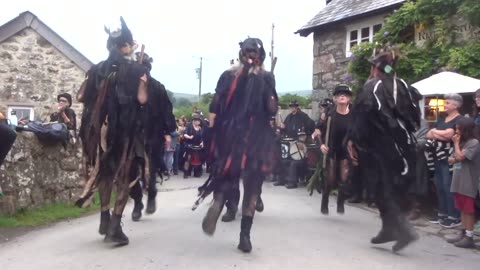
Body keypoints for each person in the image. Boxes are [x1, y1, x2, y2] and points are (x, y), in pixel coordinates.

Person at [193, 37, 278, 253]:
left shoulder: (232, 75)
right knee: (251, 185)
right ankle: (244, 235)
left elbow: (215, 107)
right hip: (252, 138)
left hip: (236, 136)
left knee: (227, 174)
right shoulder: (259, 77)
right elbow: (272, 109)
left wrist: (214, 136)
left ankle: (220, 204)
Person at [76, 17, 149, 245]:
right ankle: (115, 228)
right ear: (125, 46)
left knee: (105, 174)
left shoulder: (97, 69)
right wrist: (144, 80)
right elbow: (142, 99)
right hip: (125, 132)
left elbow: (80, 97)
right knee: (126, 176)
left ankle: (104, 218)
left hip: (99, 130)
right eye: (130, 44)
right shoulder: (137, 69)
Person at [347, 48, 422, 252]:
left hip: (379, 148)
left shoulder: (372, 87)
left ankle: (403, 229)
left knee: (381, 187)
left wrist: (353, 141)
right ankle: (388, 229)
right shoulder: (404, 86)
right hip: (404, 146)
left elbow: (360, 119)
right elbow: (415, 118)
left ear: (374, 68)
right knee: (390, 187)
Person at [128, 51, 176, 221]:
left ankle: (152, 195)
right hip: (132, 135)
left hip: (153, 134)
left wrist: (168, 131)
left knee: (152, 168)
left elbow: (166, 111)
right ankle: (137, 202)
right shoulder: (129, 87)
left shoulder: (157, 87)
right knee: (131, 171)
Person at [313, 84, 353, 215]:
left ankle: (340, 201)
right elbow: (317, 130)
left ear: (349, 99)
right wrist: (321, 145)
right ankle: (324, 201)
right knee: (329, 179)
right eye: (339, 94)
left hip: (345, 151)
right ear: (335, 98)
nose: (342, 96)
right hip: (330, 149)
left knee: (344, 178)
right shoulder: (329, 113)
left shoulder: (354, 114)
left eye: (345, 94)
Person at [426, 93, 464, 228]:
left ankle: (453, 216)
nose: (444, 105)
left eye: (447, 102)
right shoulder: (442, 119)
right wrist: (440, 133)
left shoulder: (459, 120)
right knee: (439, 185)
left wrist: (437, 133)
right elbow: (428, 134)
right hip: (437, 155)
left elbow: (449, 136)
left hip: (450, 157)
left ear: (456, 105)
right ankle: (442, 213)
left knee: (449, 187)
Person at [445, 117, 480, 248]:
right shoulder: (462, 142)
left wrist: (455, 144)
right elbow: (454, 159)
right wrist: (454, 156)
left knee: (468, 210)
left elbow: (459, 157)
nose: (456, 131)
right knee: (461, 208)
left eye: (458, 128)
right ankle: (463, 231)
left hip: (468, 181)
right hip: (458, 179)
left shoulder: (474, 142)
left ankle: (469, 236)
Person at [183, 114, 204, 178]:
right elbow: (185, 134)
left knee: (198, 159)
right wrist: (189, 137)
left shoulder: (200, 128)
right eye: (197, 121)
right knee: (188, 159)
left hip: (198, 146)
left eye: (199, 121)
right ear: (194, 121)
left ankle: (196, 173)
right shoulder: (189, 126)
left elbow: (202, 138)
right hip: (189, 145)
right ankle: (186, 173)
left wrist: (202, 142)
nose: (198, 122)